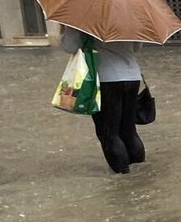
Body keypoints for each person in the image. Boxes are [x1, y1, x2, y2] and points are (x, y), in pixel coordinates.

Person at [60, 26, 144, 174]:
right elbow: (137, 47)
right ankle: (140, 173)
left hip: (106, 79)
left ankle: (123, 179)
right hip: (132, 76)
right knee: (129, 130)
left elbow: (70, 46)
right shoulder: (128, 16)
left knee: (109, 133)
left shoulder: (83, 18)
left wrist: (66, 30)